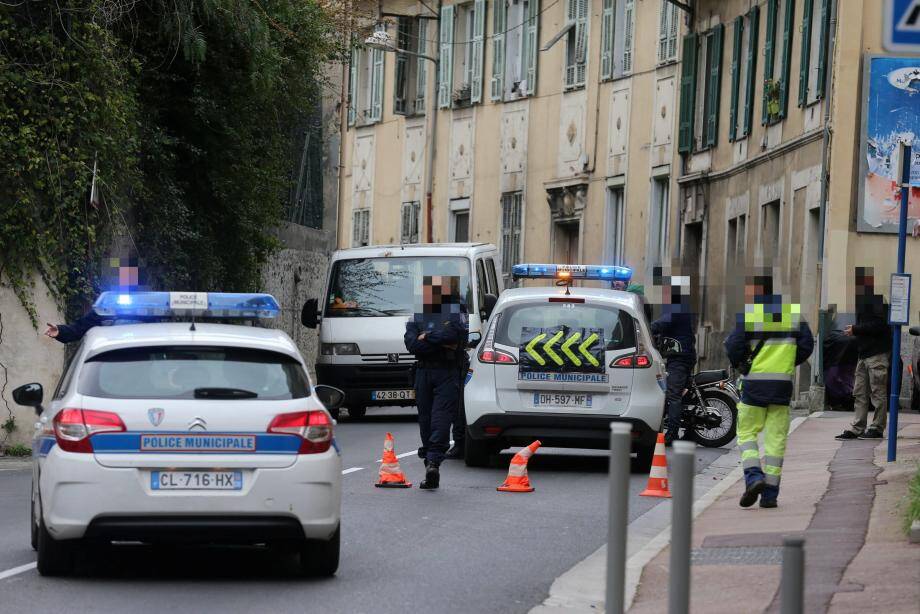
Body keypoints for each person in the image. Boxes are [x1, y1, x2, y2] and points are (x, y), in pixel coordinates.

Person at [725, 273, 813, 509]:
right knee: (776, 441)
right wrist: (786, 363)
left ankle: (754, 477)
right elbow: (807, 345)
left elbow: (732, 346)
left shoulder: (750, 316)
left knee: (746, 434)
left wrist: (743, 362)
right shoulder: (793, 314)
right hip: (781, 388)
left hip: (754, 386)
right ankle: (770, 496)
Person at [404, 275, 469, 489]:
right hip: (423, 372)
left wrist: (427, 336)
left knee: (440, 418)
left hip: (446, 372)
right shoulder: (420, 314)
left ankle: (433, 462)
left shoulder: (456, 311)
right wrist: (436, 339)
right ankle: (429, 462)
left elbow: (453, 335)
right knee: (425, 420)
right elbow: (411, 343)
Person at [835, 268, 892, 440]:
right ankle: (857, 427)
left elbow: (879, 326)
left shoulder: (876, 301)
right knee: (859, 392)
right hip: (864, 354)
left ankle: (877, 428)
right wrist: (855, 331)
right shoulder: (862, 302)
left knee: (877, 393)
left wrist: (855, 329)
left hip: (876, 353)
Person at [649, 271, 696, 446]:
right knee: (677, 394)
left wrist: (647, 327)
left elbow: (664, 322)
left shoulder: (678, 307)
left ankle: (672, 434)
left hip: (681, 357)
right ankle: (688, 429)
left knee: (673, 394)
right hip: (678, 355)